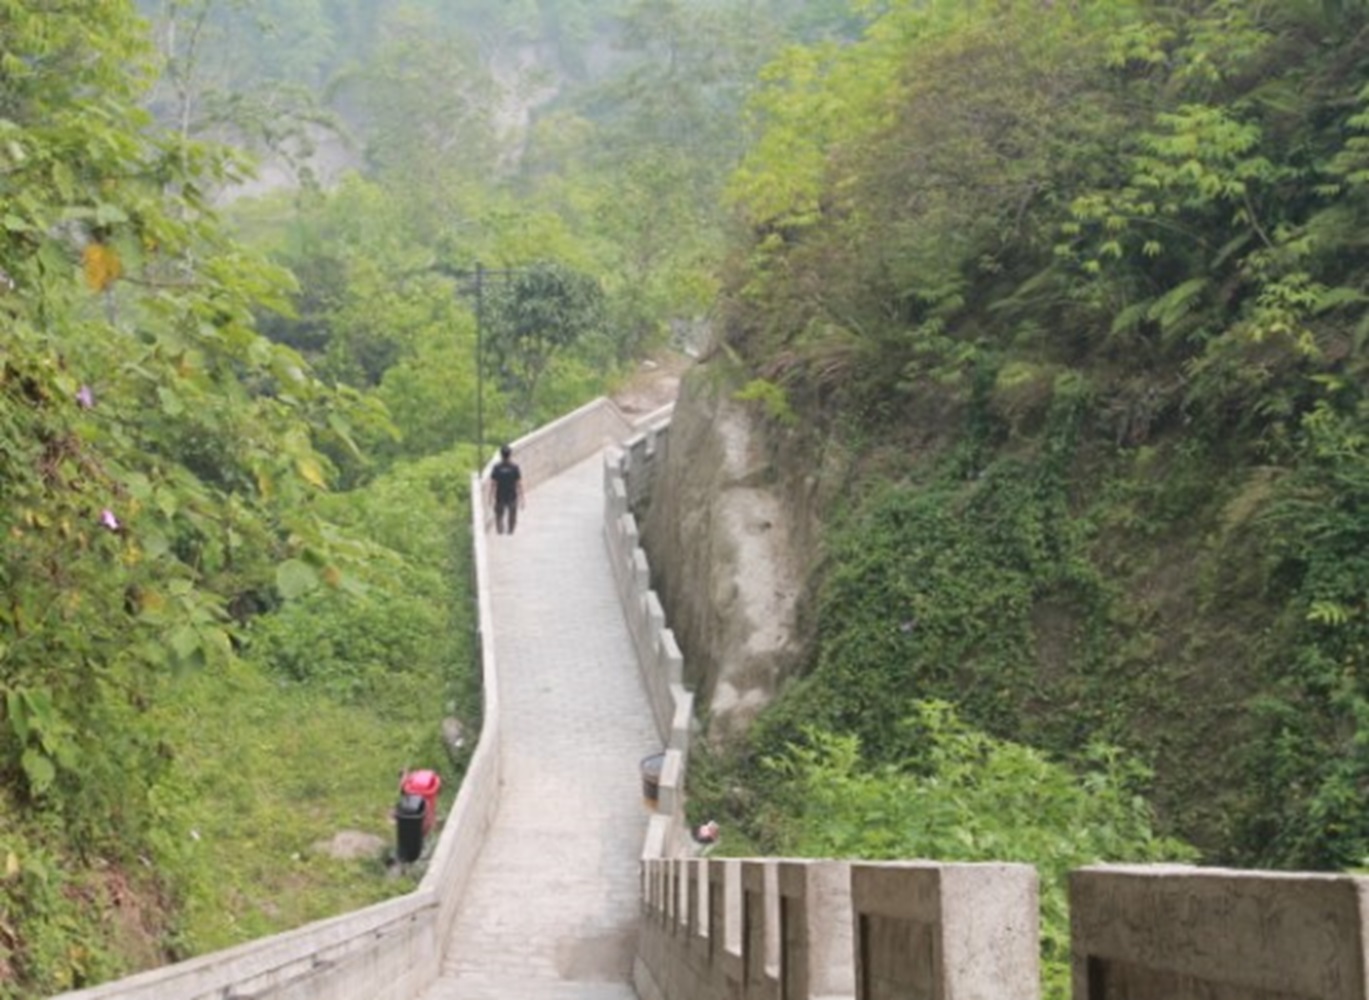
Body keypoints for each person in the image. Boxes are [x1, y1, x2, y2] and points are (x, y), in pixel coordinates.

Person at [487, 444, 525, 535]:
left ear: (501, 455)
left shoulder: (497, 468)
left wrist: (490, 497)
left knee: (499, 515)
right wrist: (522, 498)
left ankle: (500, 530)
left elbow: (493, 484)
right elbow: (519, 483)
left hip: (500, 496)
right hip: (512, 496)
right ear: (510, 454)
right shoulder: (515, 467)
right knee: (512, 516)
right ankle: (510, 530)